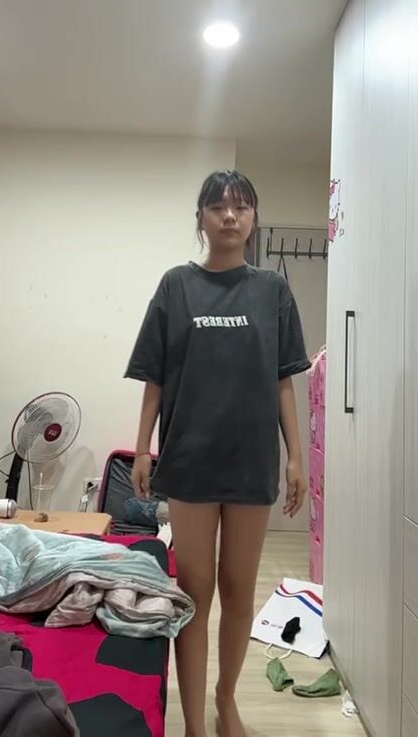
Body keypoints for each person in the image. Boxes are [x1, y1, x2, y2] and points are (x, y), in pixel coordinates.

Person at [126, 170, 310, 737]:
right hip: (190, 461)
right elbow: (155, 377)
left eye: (242, 207)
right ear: (201, 217)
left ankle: (226, 700)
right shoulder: (176, 286)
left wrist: (296, 456)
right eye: (218, 207)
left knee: (238, 589)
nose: (230, 216)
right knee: (195, 594)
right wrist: (142, 449)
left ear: (253, 218)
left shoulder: (272, 290)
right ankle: (193, 725)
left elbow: (283, 380)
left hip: (251, 460)